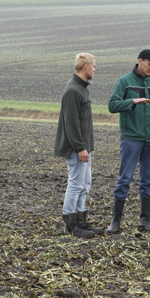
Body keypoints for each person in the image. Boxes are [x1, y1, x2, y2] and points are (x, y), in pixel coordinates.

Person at [106, 49, 150, 233]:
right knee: (125, 179)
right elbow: (112, 105)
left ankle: (145, 222)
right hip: (131, 138)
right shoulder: (124, 81)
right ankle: (115, 222)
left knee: (148, 180)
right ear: (140, 61)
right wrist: (133, 102)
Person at [54, 52, 98, 239]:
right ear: (86, 67)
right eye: (94, 66)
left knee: (84, 184)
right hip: (76, 148)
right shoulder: (73, 90)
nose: (95, 70)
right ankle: (72, 225)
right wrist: (80, 147)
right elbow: (71, 123)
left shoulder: (81, 88)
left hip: (84, 147)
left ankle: (81, 221)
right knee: (76, 184)